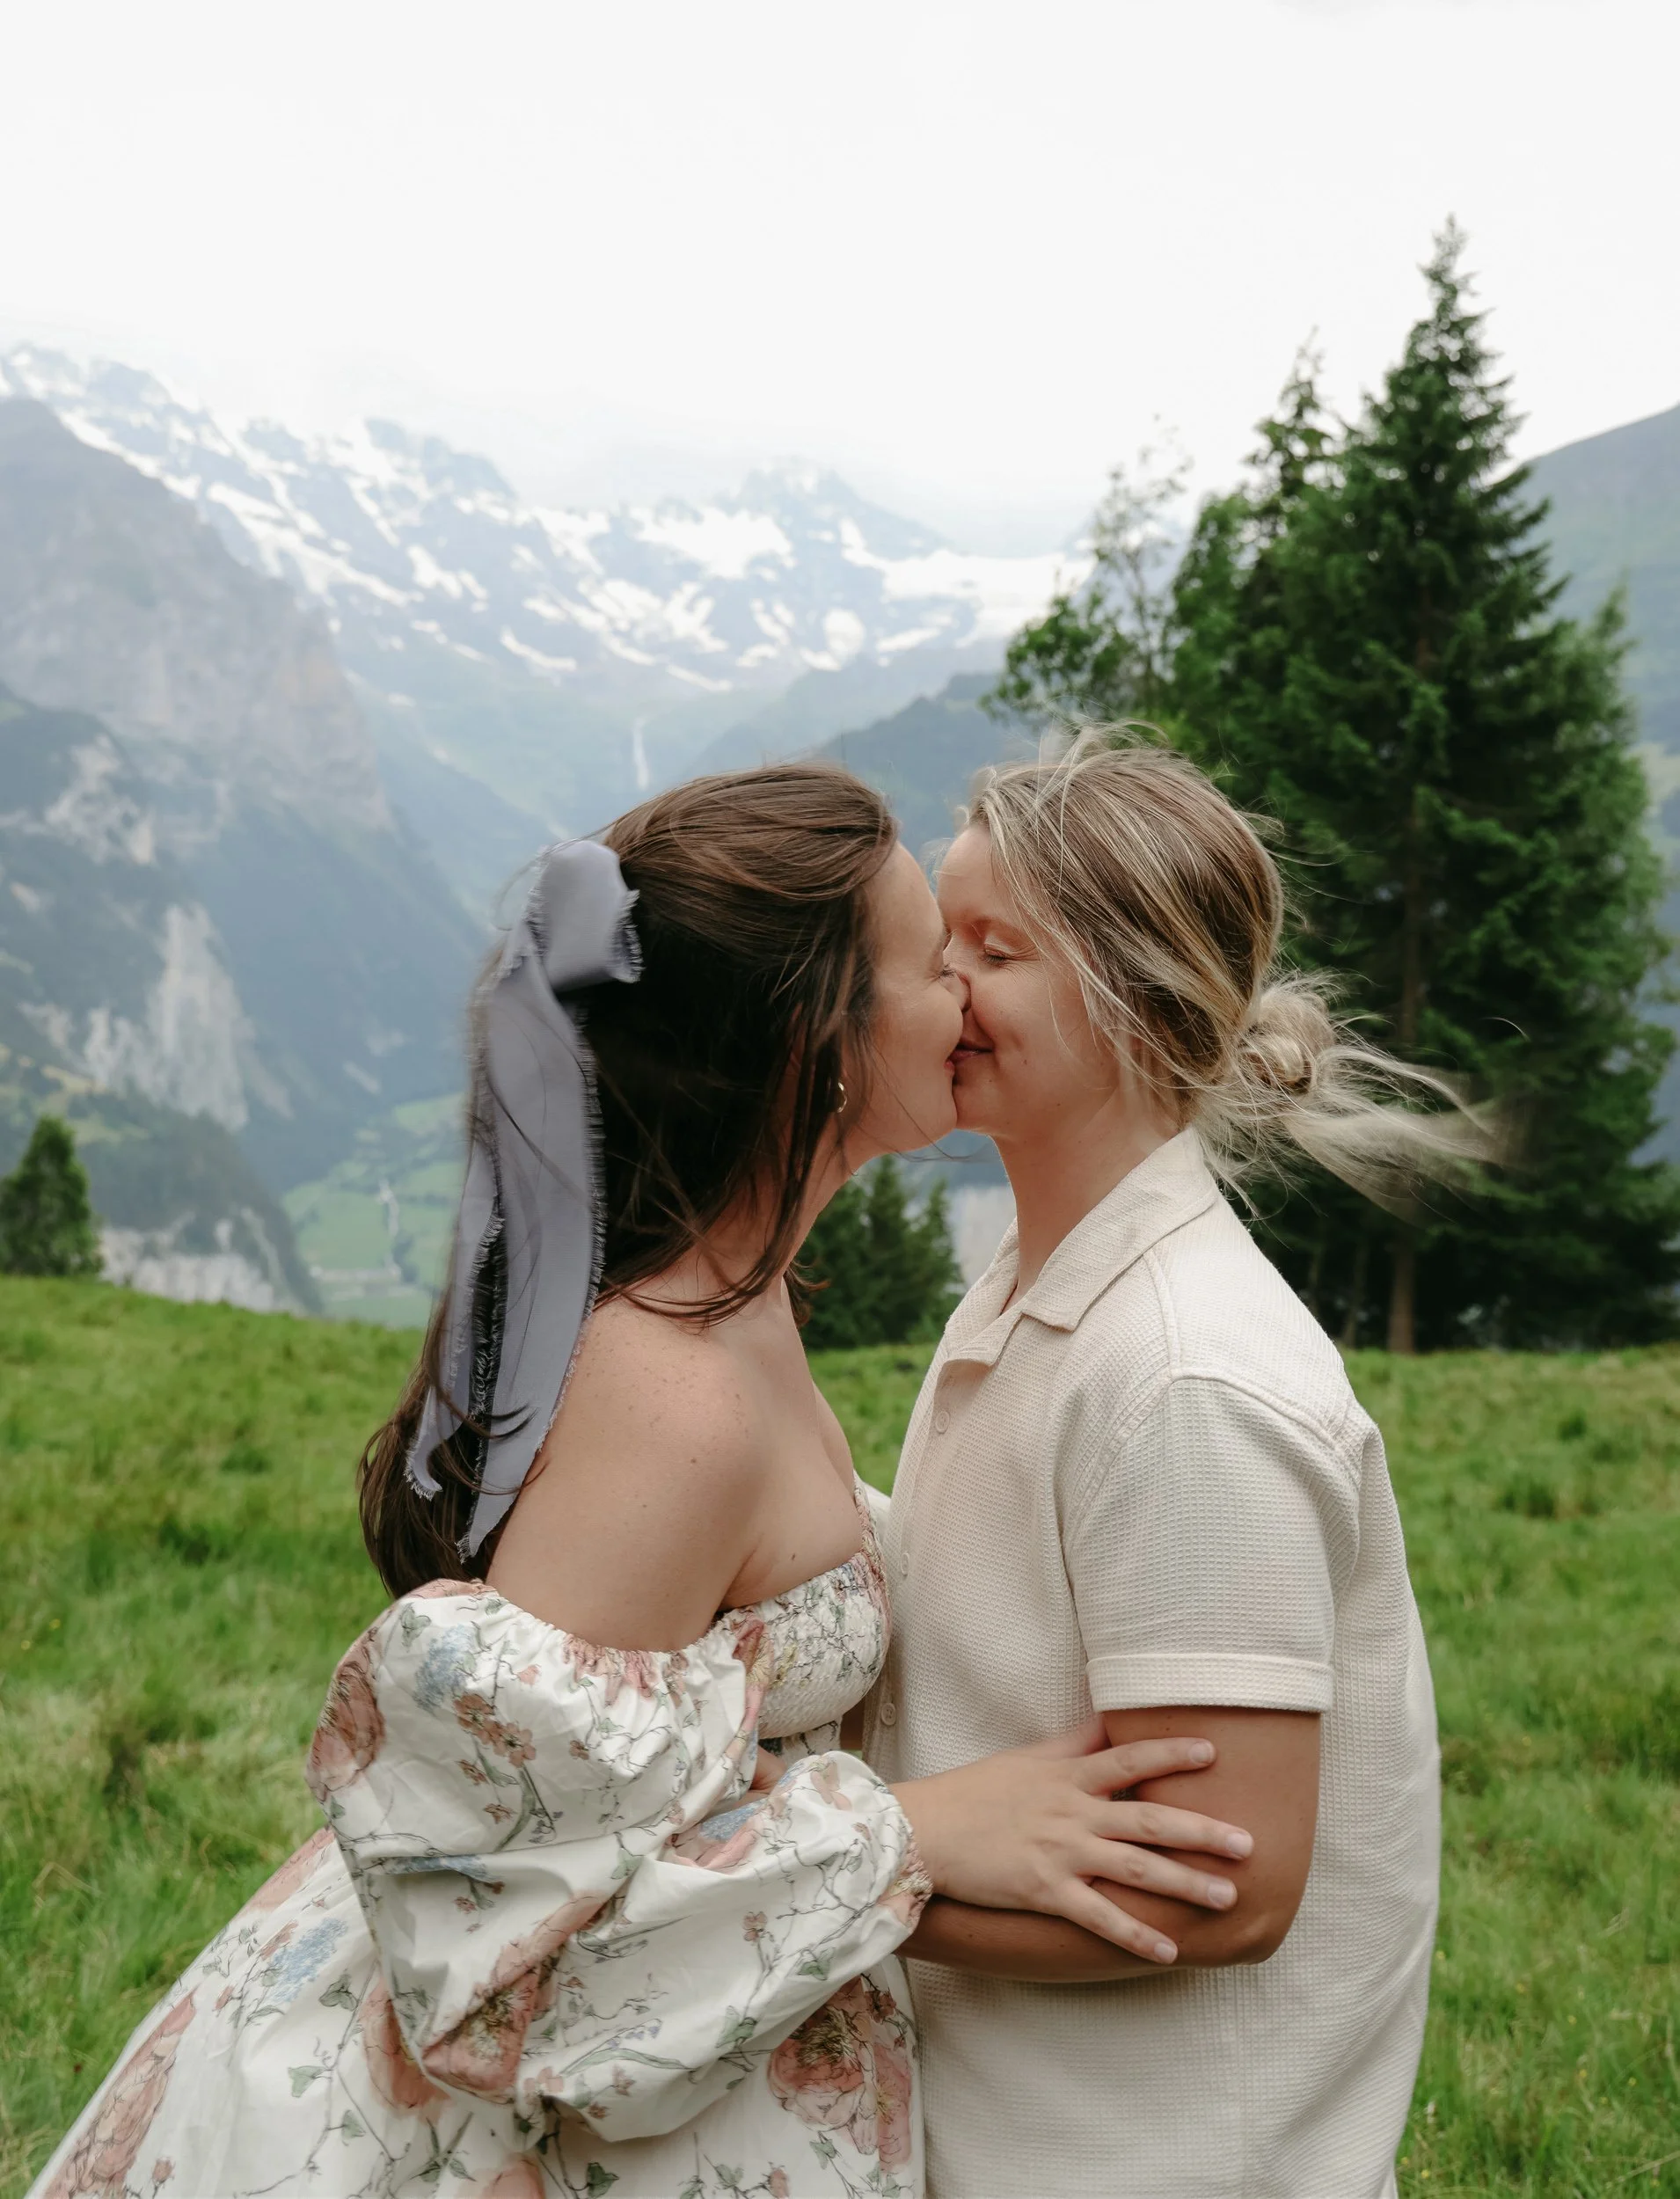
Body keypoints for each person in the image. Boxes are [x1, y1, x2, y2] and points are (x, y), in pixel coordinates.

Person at [33, 764, 1252, 2199]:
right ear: (819, 1040)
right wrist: (911, 1832)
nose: (967, 999)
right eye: (934, 962)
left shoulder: (742, 1302)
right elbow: (507, 1935)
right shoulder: (674, 1395)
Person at [868, 737, 1490, 2199]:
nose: (939, 986)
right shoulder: (1030, 1291)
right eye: (941, 939)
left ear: (1136, 1000)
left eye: (992, 949)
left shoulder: (1185, 1378)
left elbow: (1219, 1887)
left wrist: (814, 1894)